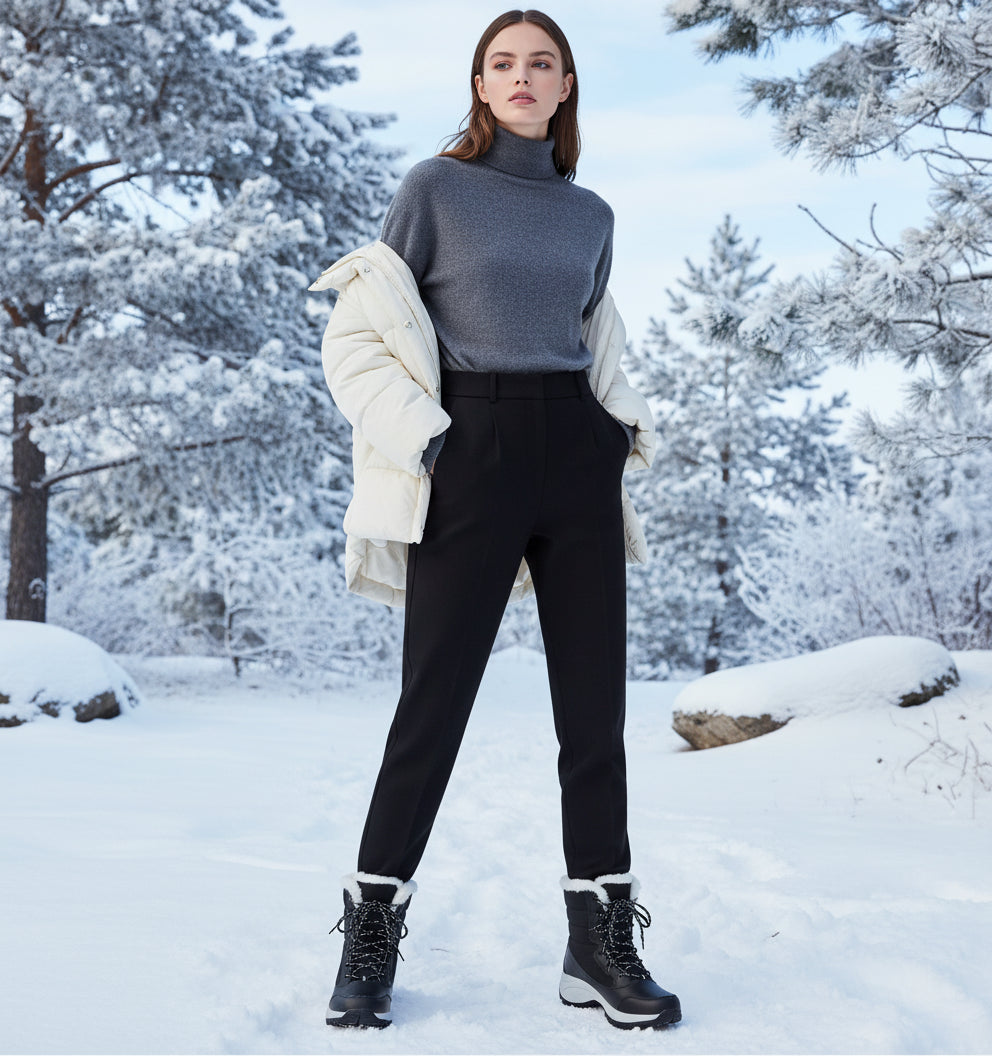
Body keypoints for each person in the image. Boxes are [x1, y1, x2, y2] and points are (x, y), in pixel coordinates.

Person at [308, 8, 681, 1032]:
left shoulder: (588, 215)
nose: (521, 77)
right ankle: (371, 934)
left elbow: (594, 335)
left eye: (541, 64)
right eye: (502, 62)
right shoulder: (433, 190)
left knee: (591, 718)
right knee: (430, 705)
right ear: (480, 84)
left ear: (564, 89)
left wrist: (611, 436)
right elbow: (361, 337)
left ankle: (596, 942)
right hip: (467, 452)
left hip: (574, 454)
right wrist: (434, 440)